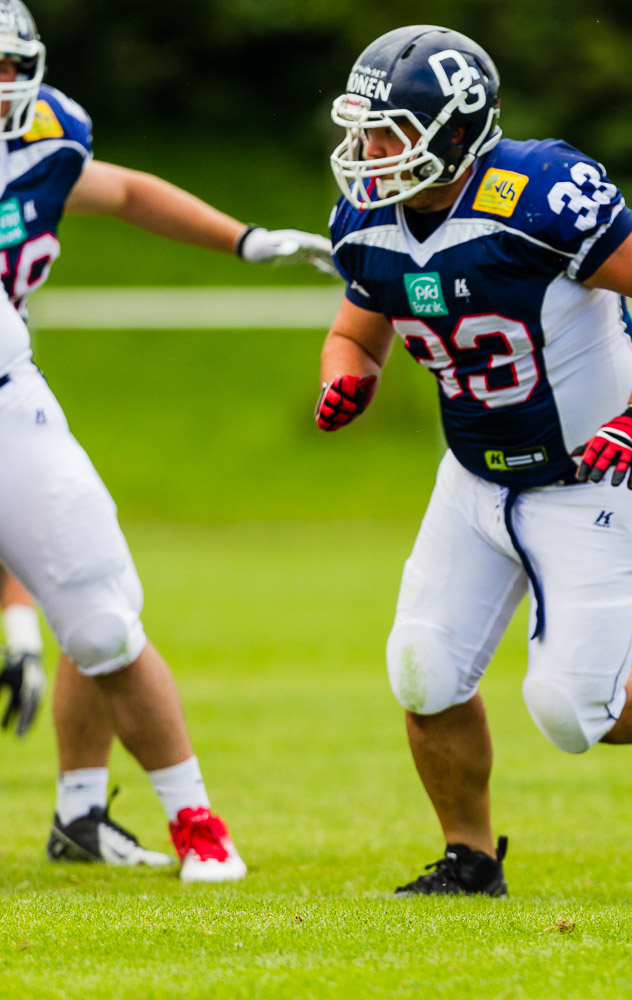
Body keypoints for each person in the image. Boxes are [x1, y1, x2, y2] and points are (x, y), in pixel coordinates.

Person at [319, 25, 632, 896]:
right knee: (421, 669)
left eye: (390, 133)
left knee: (572, 713)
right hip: (471, 473)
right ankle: (469, 856)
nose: (368, 153)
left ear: (456, 132)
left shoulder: (539, 193)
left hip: (593, 473)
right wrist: (348, 375)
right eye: (363, 130)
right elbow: (358, 329)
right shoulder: (366, 217)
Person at [0, 0, 332, 875]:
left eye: (7, 66)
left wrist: (245, 239)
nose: (0, 87)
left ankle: (194, 822)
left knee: (104, 623)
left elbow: (120, 189)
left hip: (5, 399)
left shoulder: (45, 136)